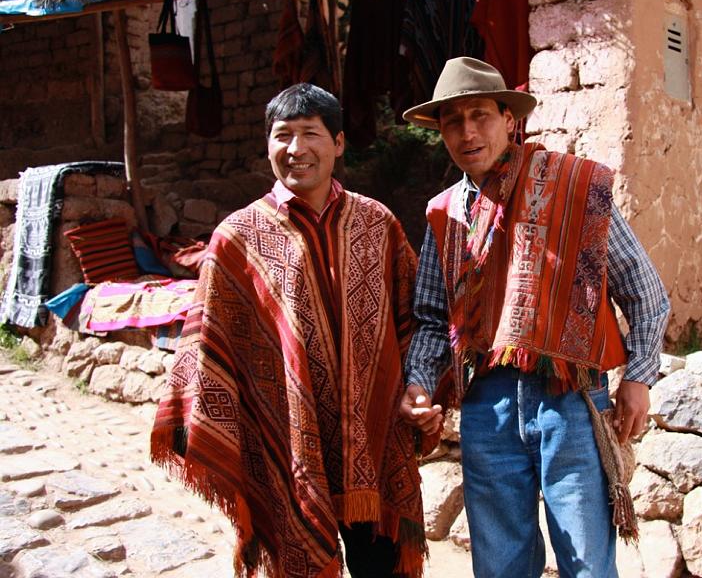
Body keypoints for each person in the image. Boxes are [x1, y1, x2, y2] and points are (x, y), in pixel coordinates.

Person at [399, 57, 670, 578]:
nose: (467, 132)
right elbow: (434, 320)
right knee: (501, 567)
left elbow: (645, 292)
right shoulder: (443, 214)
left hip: (570, 400)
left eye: (480, 115)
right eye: (452, 121)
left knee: (588, 564)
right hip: (487, 408)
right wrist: (419, 384)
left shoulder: (572, 188)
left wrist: (638, 379)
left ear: (508, 118)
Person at [151, 83, 426, 578]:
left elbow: (412, 321)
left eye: (310, 134)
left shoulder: (377, 223)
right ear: (267, 143)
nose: (295, 150)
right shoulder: (237, 237)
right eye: (282, 136)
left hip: (373, 438)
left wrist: (420, 390)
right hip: (288, 440)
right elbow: (213, 342)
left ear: (339, 143)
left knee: (381, 566)